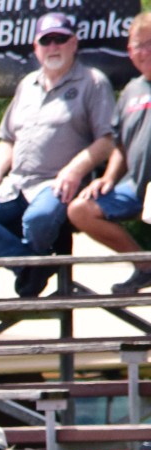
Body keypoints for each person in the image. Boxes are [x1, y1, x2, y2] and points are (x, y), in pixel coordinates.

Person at [0, 12, 115, 299]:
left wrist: (74, 170)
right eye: (46, 41)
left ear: (74, 43)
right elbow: (7, 139)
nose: (53, 46)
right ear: (36, 47)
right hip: (15, 184)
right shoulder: (27, 84)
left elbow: (108, 140)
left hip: (58, 184)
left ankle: (31, 269)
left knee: (38, 219)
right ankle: (29, 266)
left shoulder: (92, 82)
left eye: (60, 39)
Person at [68, 12, 151, 294]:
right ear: (130, 51)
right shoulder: (130, 91)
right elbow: (120, 145)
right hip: (135, 186)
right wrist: (108, 178)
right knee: (80, 209)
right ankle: (144, 265)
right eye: (139, 45)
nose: (145, 52)